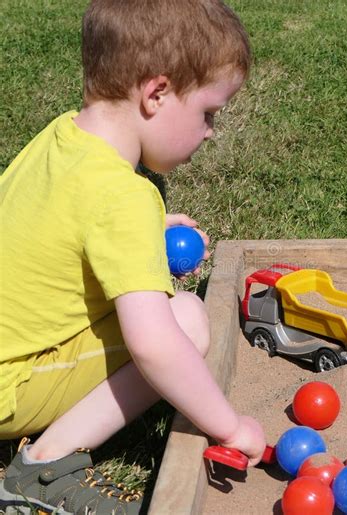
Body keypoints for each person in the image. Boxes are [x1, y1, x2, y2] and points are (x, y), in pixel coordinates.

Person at [0, 1, 266, 513]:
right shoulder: (125, 197)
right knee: (184, 322)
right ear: (156, 93)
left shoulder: (62, 136)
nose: (211, 132)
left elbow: (56, 215)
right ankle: (40, 470)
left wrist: (146, 227)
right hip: (10, 383)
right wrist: (229, 426)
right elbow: (154, 348)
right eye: (208, 113)